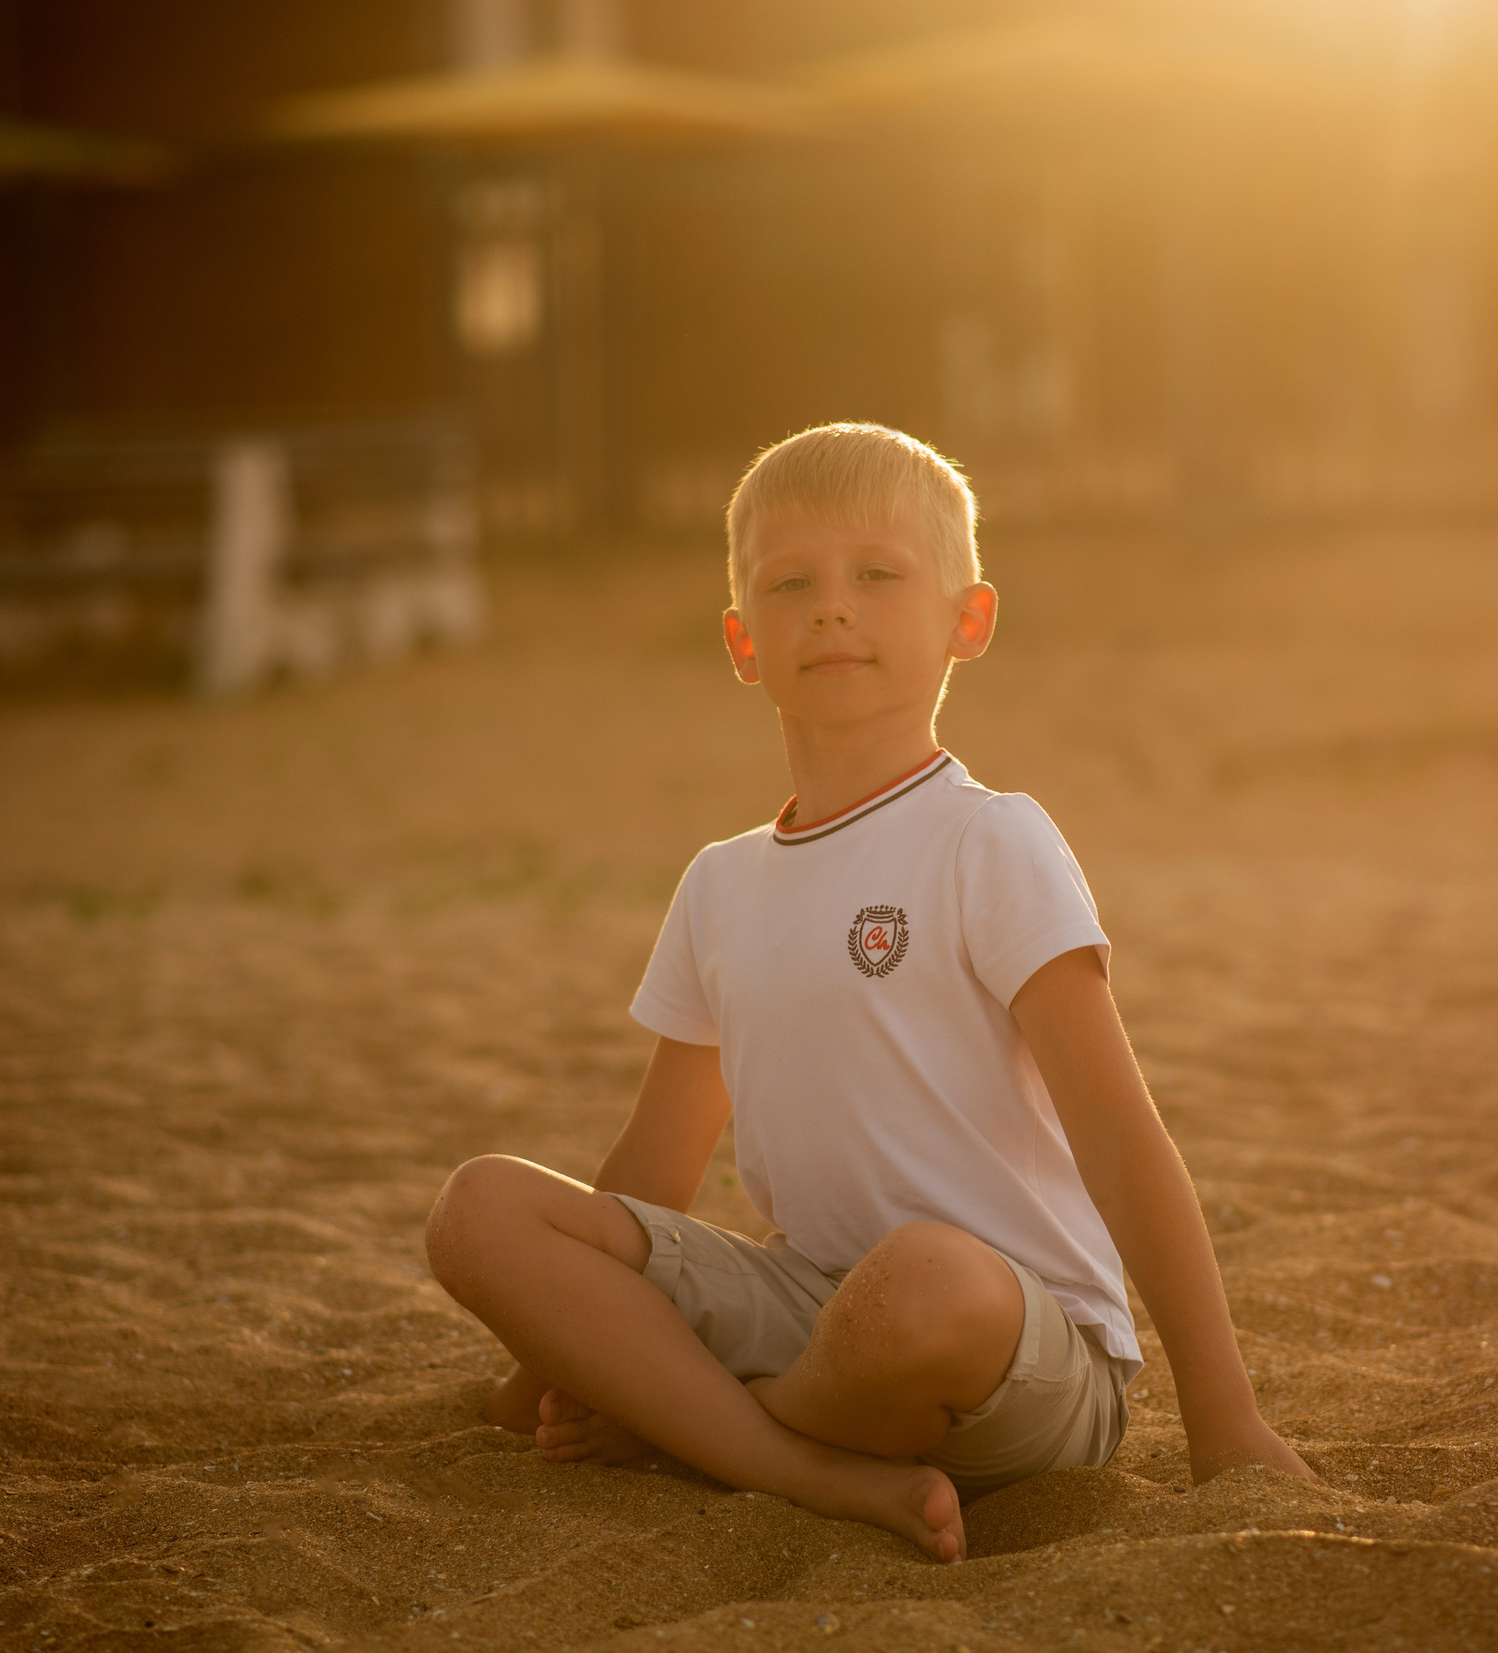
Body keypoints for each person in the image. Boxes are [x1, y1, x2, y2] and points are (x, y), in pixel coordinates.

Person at [425, 423, 1313, 1563]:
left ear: (966, 620)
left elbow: (1119, 1131)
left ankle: (714, 1435)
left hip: (1004, 1341)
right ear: (745, 642)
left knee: (919, 1281)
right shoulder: (719, 883)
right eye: (790, 583)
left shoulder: (990, 841)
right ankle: (794, 1458)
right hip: (809, 1310)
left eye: (877, 575)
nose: (831, 607)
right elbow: (653, 1171)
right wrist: (553, 1358)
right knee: (481, 1204)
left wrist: (1223, 1415)